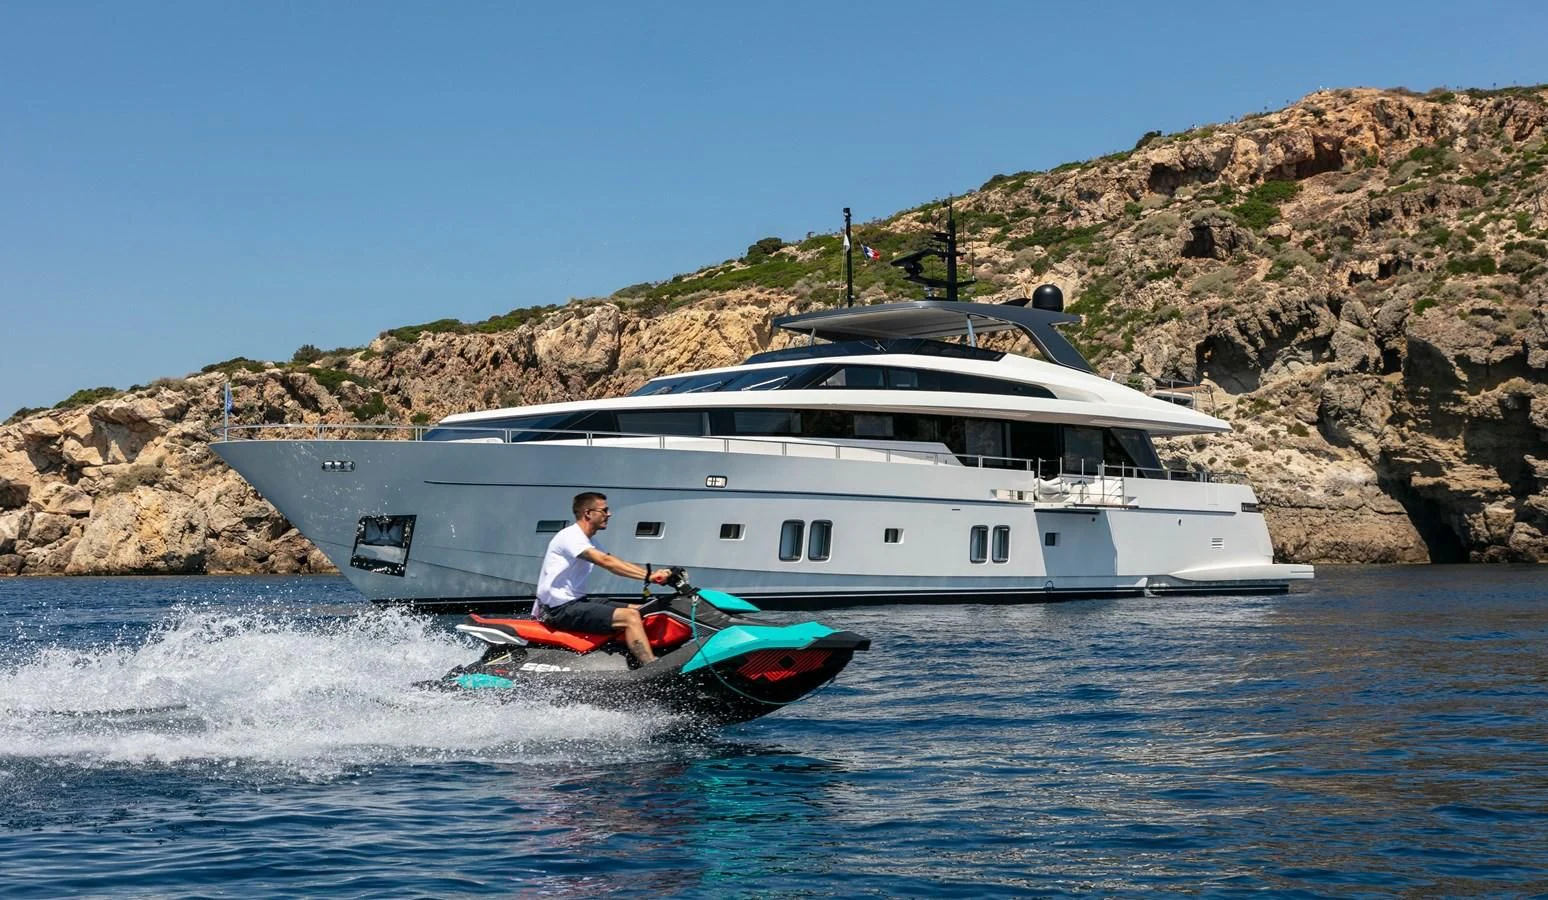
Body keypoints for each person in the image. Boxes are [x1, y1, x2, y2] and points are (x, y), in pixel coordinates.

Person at [534, 492, 673, 666]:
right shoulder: (570, 536)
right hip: (559, 610)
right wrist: (649, 576)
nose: (609, 514)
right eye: (604, 510)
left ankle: (635, 656)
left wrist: (651, 574)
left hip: (577, 602)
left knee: (644, 609)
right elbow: (606, 562)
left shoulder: (589, 541)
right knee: (630, 617)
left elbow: (614, 562)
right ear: (588, 513)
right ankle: (651, 666)